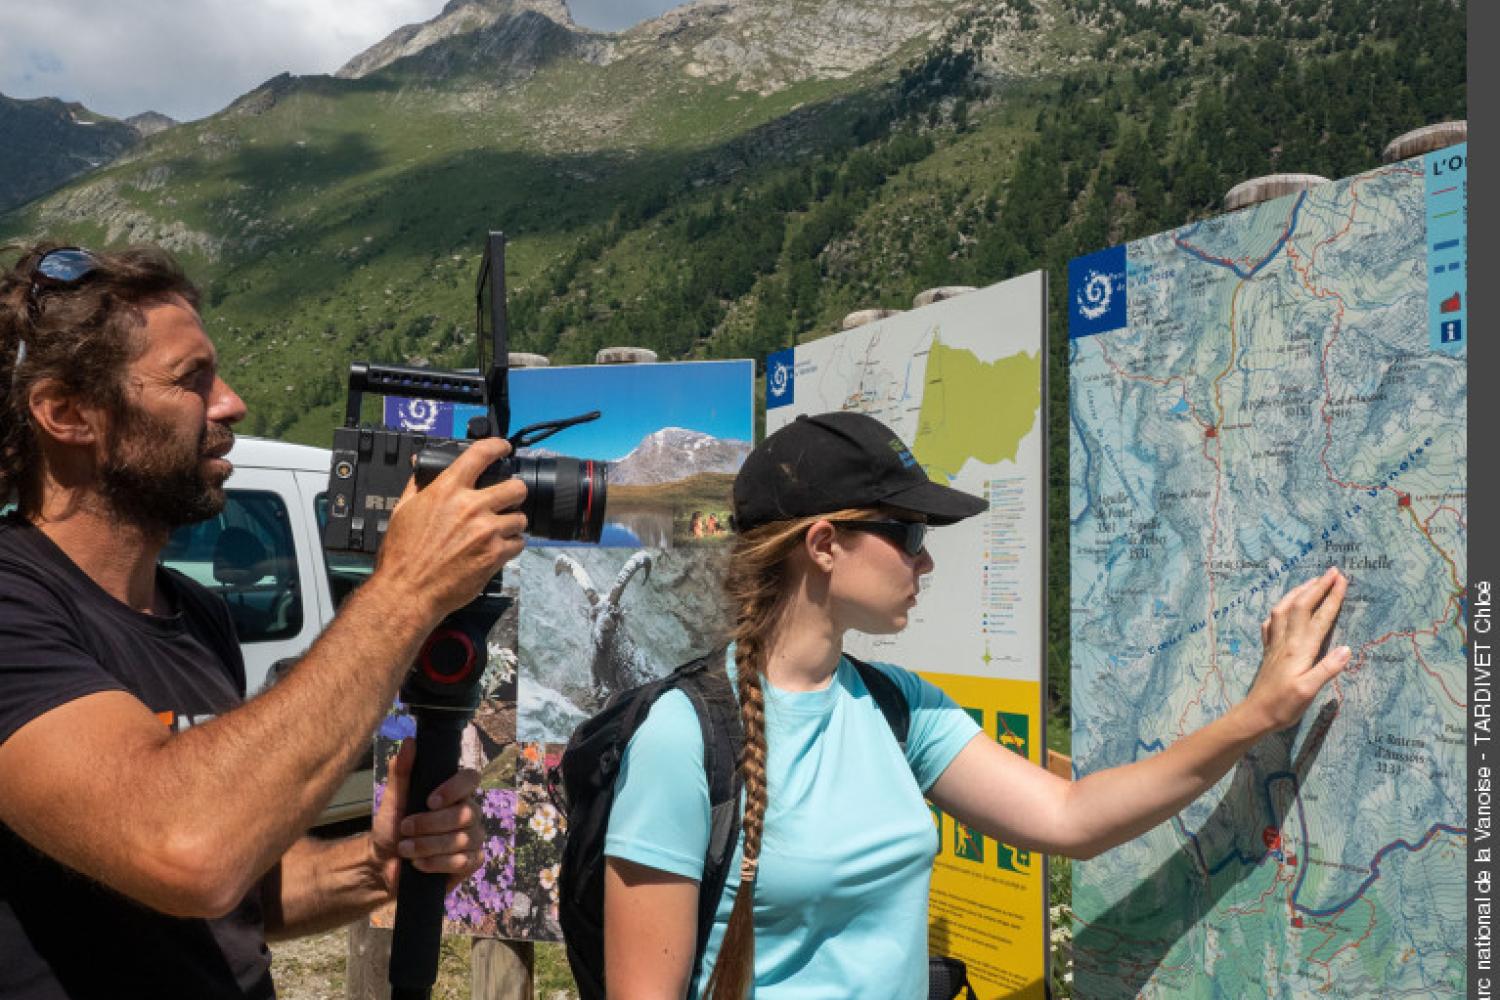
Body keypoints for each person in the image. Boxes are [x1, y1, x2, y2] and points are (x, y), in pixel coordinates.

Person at [602, 411, 1350, 999]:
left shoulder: (897, 707)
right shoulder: (683, 739)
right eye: (908, 532)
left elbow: (1070, 818)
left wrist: (1257, 714)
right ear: (824, 543)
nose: (926, 559)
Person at [0, 243, 529, 998]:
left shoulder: (196, 611)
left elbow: (233, 890)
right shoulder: (15, 605)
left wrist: (372, 865)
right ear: (67, 413)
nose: (231, 403)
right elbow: (188, 850)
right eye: (193, 380)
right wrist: (405, 588)